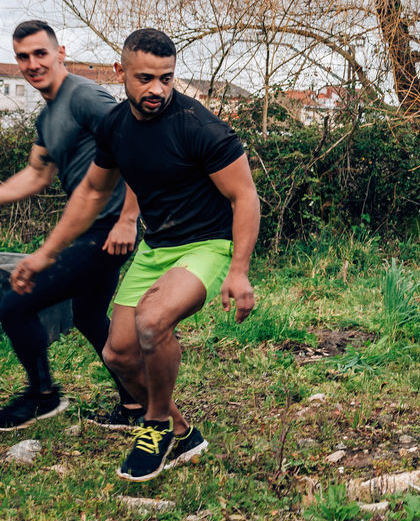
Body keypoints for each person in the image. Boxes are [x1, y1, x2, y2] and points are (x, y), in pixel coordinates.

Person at [10, 27, 261, 481]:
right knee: (118, 354)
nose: (157, 90)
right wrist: (47, 252)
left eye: (166, 79)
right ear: (119, 72)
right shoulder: (114, 126)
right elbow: (90, 192)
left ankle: (156, 424)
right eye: (145, 78)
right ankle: (184, 433)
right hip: (157, 246)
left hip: (206, 244)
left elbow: (245, 197)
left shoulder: (199, 126)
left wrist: (239, 271)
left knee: (151, 321)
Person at [0, 20, 143, 432]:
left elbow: (132, 142)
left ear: (60, 53)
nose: (32, 63)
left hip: (107, 230)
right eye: (23, 56)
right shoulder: (48, 119)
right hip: (87, 230)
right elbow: (35, 175)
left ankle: (42, 396)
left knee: (14, 302)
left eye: (40, 53)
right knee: (89, 316)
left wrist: (129, 218)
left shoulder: (84, 96)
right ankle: (133, 407)